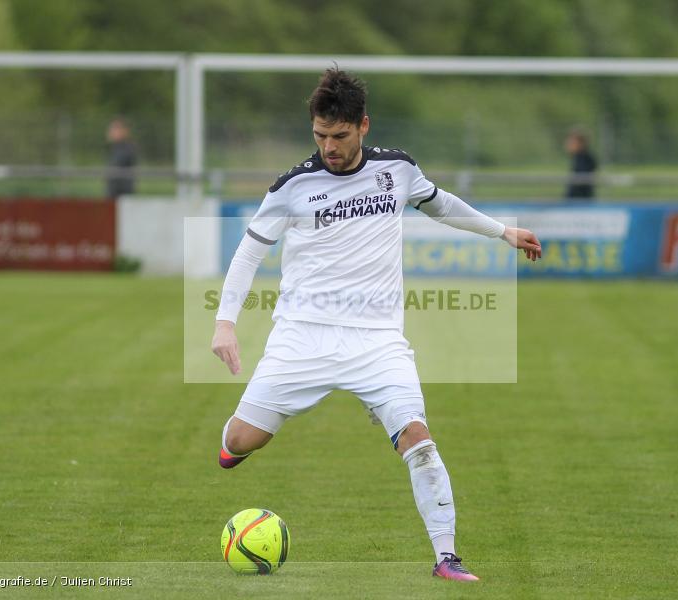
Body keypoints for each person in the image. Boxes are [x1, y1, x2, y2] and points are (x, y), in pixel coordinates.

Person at [211, 68, 542, 582]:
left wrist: (502, 232)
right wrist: (225, 323)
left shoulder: (397, 170)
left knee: (419, 439)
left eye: (339, 136)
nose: (329, 147)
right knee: (242, 440)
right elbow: (250, 251)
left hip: (377, 342)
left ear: (363, 126)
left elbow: (440, 205)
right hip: (302, 335)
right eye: (320, 135)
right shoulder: (292, 187)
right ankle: (233, 443)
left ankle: (446, 557)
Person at [105, 117, 137, 199]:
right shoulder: (117, 148)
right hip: (117, 194)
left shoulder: (126, 148)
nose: (110, 132)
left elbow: (116, 170)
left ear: (124, 131)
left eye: (114, 129)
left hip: (121, 195)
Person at [564, 127, 597, 200]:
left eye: (572, 142)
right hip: (577, 201)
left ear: (581, 143)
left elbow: (581, 185)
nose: (568, 144)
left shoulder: (585, 159)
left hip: (580, 202)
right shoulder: (578, 158)